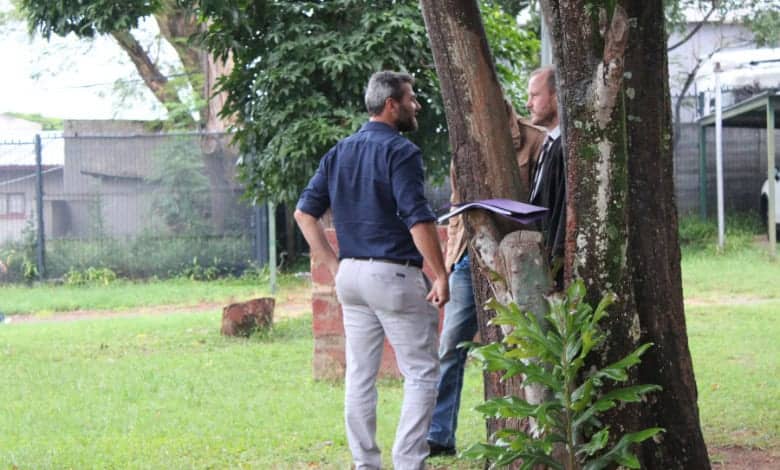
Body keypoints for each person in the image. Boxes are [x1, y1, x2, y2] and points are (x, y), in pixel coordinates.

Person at [294, 70, 449, 470]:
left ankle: (365, 464)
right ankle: (408, 463)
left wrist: (334, 265)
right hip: (393, 274)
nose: (416, 105)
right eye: (411, 99)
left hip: (351, 277)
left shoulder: (339, 151)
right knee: (421, 372)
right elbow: (417, 218)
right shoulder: (401, 152)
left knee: (360, 375)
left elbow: (304, 214)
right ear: (391, 105)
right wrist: (441, 273)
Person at [426, 101, 546, 457]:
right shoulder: (463, 143)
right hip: (468, 257)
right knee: (450, 345)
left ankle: (526, 431)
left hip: (515, 256)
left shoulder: (535, 140)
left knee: (519, 344)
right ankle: (438, 435)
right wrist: (449, 263)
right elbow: (455, 209)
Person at [526, 66, 566, 283]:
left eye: (534, 95)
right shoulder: (548, 143)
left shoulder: (564, 148)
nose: (528, 104)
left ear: (556, 96)